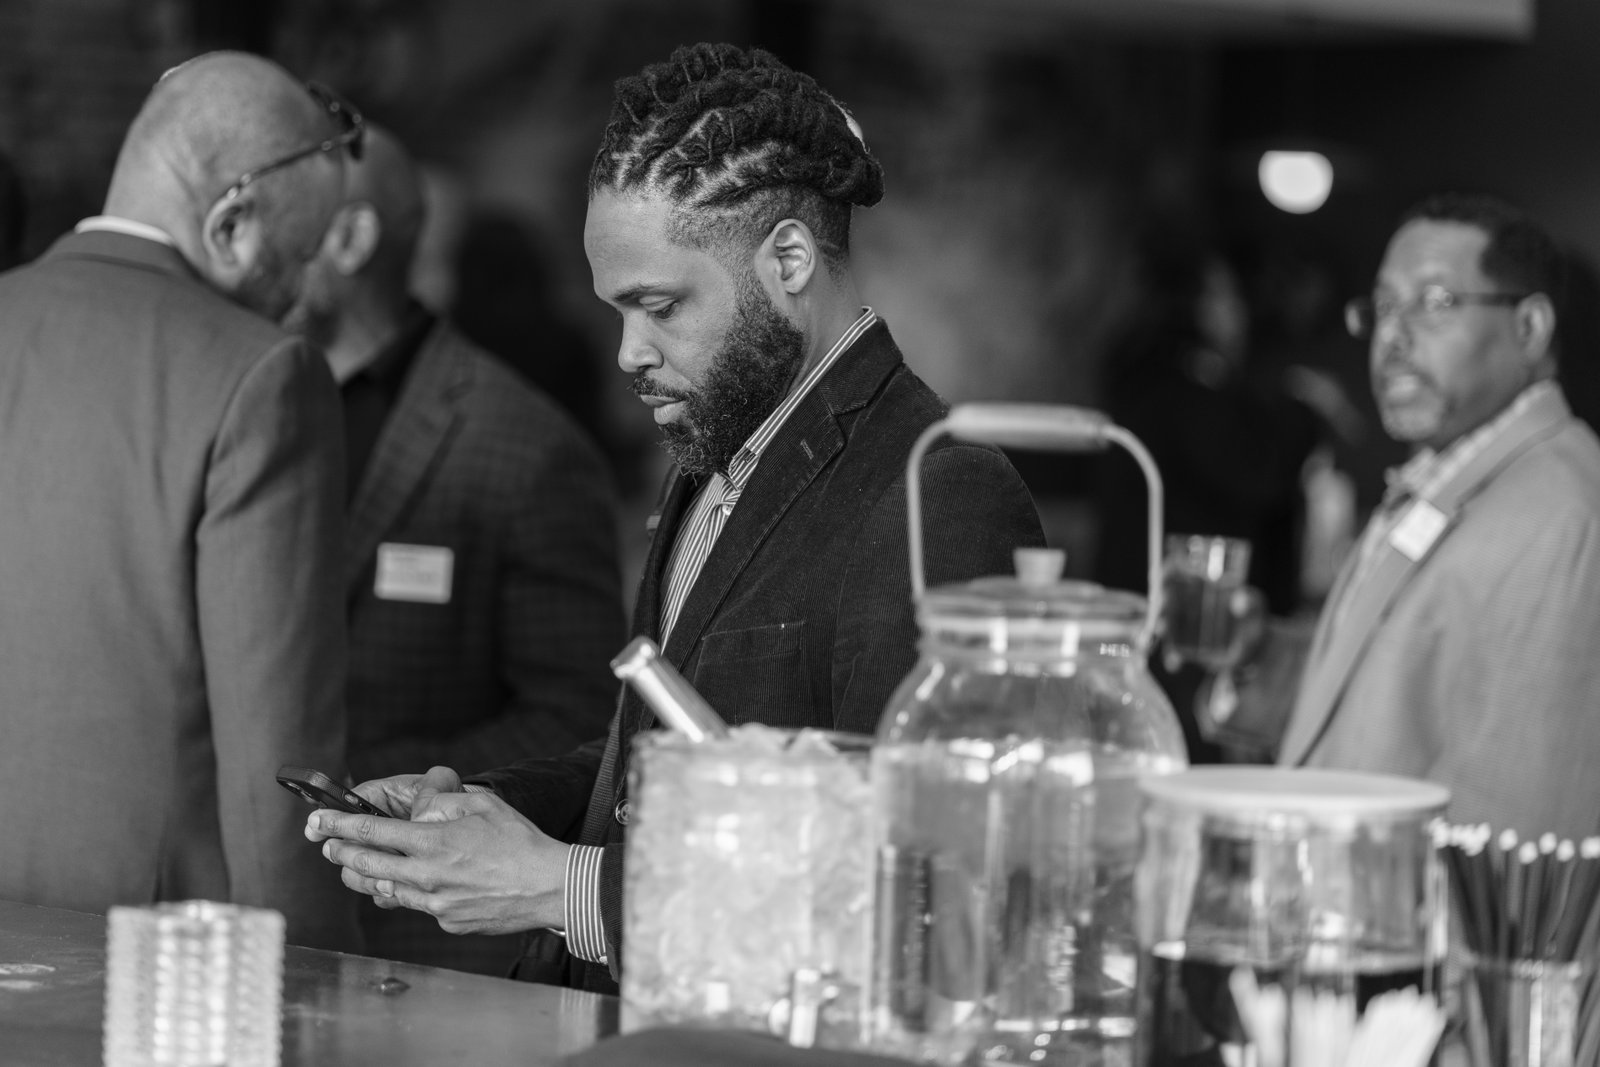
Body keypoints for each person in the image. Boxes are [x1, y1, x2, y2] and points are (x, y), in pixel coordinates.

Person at [305, 41, 1044, 993]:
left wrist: (560, 886)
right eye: (619, 310)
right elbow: (651, 761)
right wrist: (484, 812)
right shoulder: (723, 447)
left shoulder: (939, 493)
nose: (629, 352)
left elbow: (921, 891)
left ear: (788, 258)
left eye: (659, 306)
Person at [0, 52, 361, 949]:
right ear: (231, 225)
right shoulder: (261, 376)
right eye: (299, 259)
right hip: (159, 964)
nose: (302, 298)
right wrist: (319, 988)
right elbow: (277, 757)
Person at [283, 124, 625, 974]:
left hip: (423, 943)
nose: (244, 245)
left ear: (350, 239)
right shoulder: (244, 403)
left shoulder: (524, 447)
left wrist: (388, 793)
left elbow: (582, 717)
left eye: (276, 216)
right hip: (242, 912)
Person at [1224, 193, 1600, 840]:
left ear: (1530, 328)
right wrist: (1262, 658)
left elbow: (1522, 836)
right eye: (1383, 307)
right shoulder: (1450, 473)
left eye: (1434, 302)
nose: (1392, 338)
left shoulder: (1565, 519)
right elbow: (1398, 697)